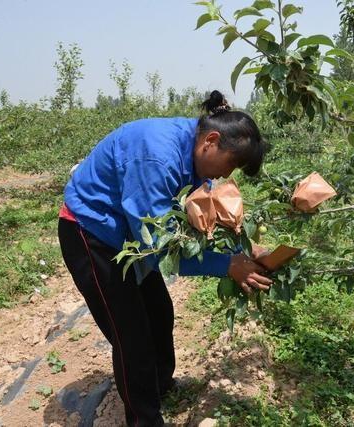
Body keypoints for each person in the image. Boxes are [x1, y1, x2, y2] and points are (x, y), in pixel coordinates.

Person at [57, 90, 272, 427]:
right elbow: (159, 250)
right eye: (230, 164)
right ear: (211, 141)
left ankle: (159, 386)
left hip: (129, 234)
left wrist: (242, 249)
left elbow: (194, 218)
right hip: (92, 235)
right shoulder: (156, 156)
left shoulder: (193, 148)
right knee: (132, 337)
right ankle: (145, 419)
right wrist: (228, 266)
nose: (226, 176)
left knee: (159, 312)